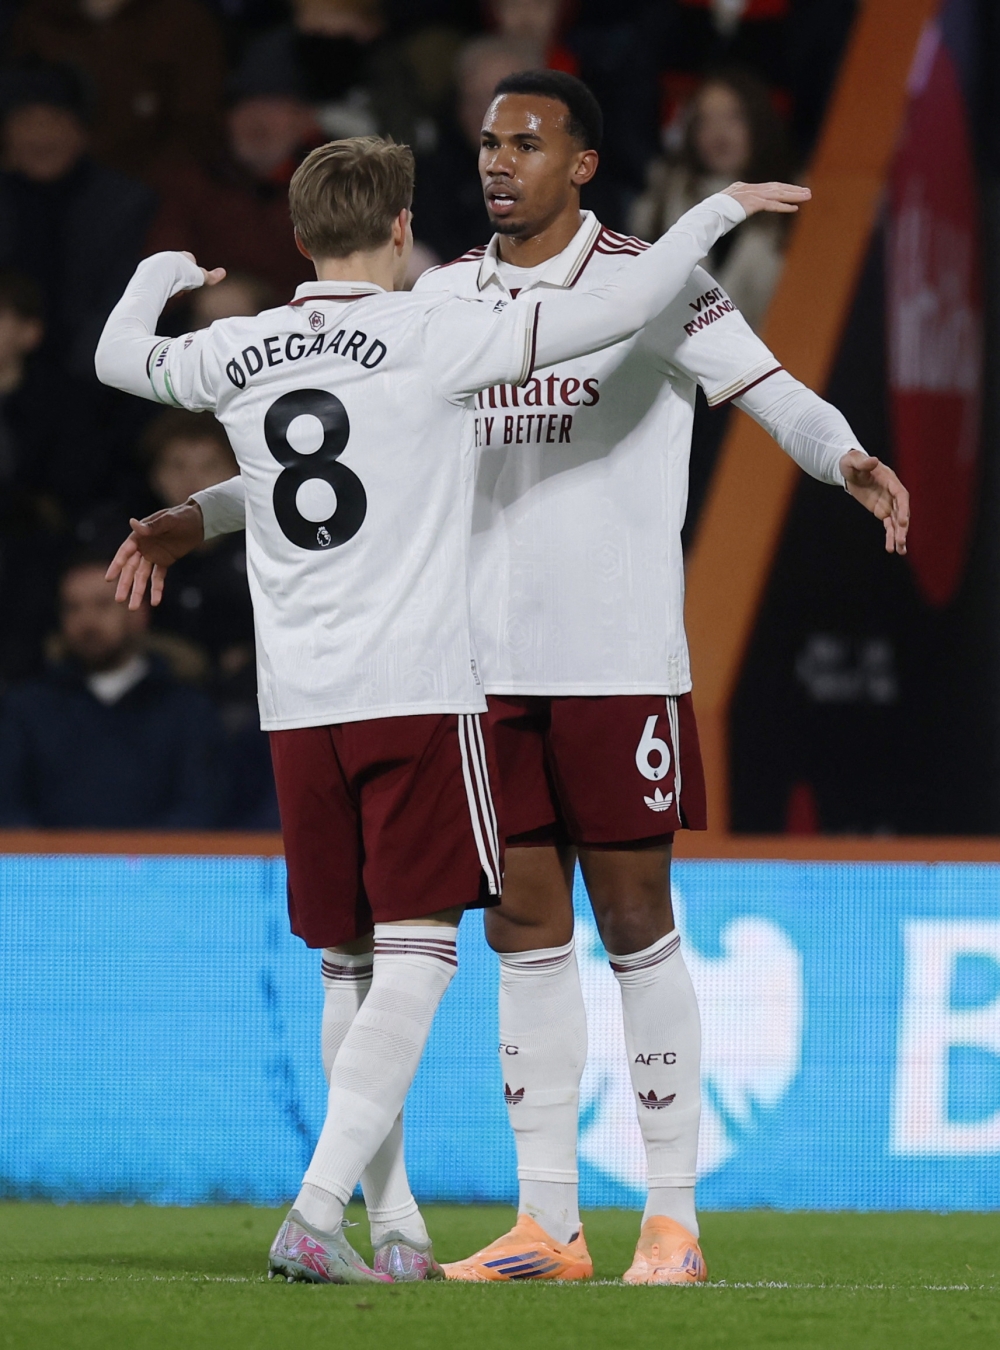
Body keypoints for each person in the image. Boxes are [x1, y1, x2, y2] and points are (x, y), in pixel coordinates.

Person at [169, 76, 907, 1287]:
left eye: (527, 141)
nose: (499, 161)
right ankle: (547, 1223)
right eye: (487, 143)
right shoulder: (440, 299)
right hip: (474, 673)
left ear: (583, 165)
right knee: (522, 934)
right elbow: (329, 445)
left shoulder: (653, 283)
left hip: (615, 658)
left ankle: (670, 1219)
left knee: (636, 926)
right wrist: (197, 519)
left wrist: (846, 456)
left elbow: (767, 388)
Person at [0, 554, 225, 828]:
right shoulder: (25, 710)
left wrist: (136, 865)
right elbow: (9, 811)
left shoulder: (188, 711)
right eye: (73, 608)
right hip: (49, 870)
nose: (87, 621)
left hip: (158, 869)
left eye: (102, 605)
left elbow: (200, 810)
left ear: (139, 612)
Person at [0, 63, 157, 382]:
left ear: (82, 132)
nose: (41, 137)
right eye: (27, 123)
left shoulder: (125, 204)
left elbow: (129, 297)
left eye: (54, 121)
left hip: (95, 373)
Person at [631, 68, 795, 332]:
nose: (719, 133)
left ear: (759, 123)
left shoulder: (797, 202)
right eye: (705, 121)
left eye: (734, 117)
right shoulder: (662, 201)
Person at [8, 0, 227, 178]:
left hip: (150, 198)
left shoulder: (182, 21)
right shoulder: (38, 19)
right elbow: (15, 114)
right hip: (48, 193)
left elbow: (197, 126)